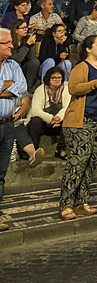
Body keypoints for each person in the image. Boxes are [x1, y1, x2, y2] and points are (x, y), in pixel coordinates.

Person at [59, 34, 97, 219]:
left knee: (91, 164)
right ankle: (66, 205)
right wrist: (95, 83)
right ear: (89, 49)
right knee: (77, 163)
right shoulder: (81, 67)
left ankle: (82, 202)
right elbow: (73, 89)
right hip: (83, 121)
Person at [0, 27, 27, 231]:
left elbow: (21, 88)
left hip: (7, 124)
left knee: (1, 173)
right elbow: (12, 88)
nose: (12, 45)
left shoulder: (14, 65)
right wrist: (6, 87)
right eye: (7, 43)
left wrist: (6, 88)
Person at [26, 66, 70, 157]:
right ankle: (34, 151)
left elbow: (67, 108)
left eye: (59, 78)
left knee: (70, 119)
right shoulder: (41, 89)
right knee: (35, 121)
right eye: (54, 78)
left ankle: (60, 149)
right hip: (44, 123)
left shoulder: (66, 89)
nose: (57, 80)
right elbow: (35, 110)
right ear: (48, 78)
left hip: (58, 123)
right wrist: (50, 118)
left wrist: (58, 118)